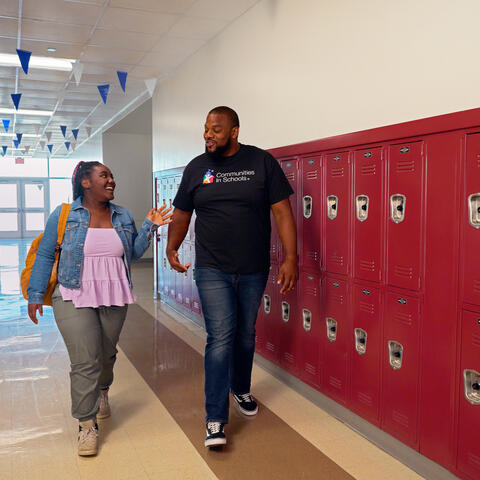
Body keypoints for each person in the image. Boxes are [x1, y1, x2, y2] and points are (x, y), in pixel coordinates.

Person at [167, 106, 298, 447]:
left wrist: (291, 257)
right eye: (206, 129)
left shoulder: (261, 162)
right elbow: (182, 213)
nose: (208, 135)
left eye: (216, 129)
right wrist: (172, 248)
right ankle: (214, 418)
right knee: (221, 336)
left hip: (254, 267)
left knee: (245, 334)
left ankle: (240, 389)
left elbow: (282, 211)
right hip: (212, 268)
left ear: (234, 131)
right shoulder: (198, 167)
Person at [27, 161, 172, 456]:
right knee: (85, 360)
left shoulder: (123, 215)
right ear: (85, 182)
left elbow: (131, 253)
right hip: (71, 291)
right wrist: (35, 293)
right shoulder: (65, 214)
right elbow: (45, 254)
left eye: (112, 176)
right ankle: (86, 424)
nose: (111, 180)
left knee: (106, 354)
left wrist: (149, 227)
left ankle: (102, 390)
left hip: (113, 292)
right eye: (104, 175)